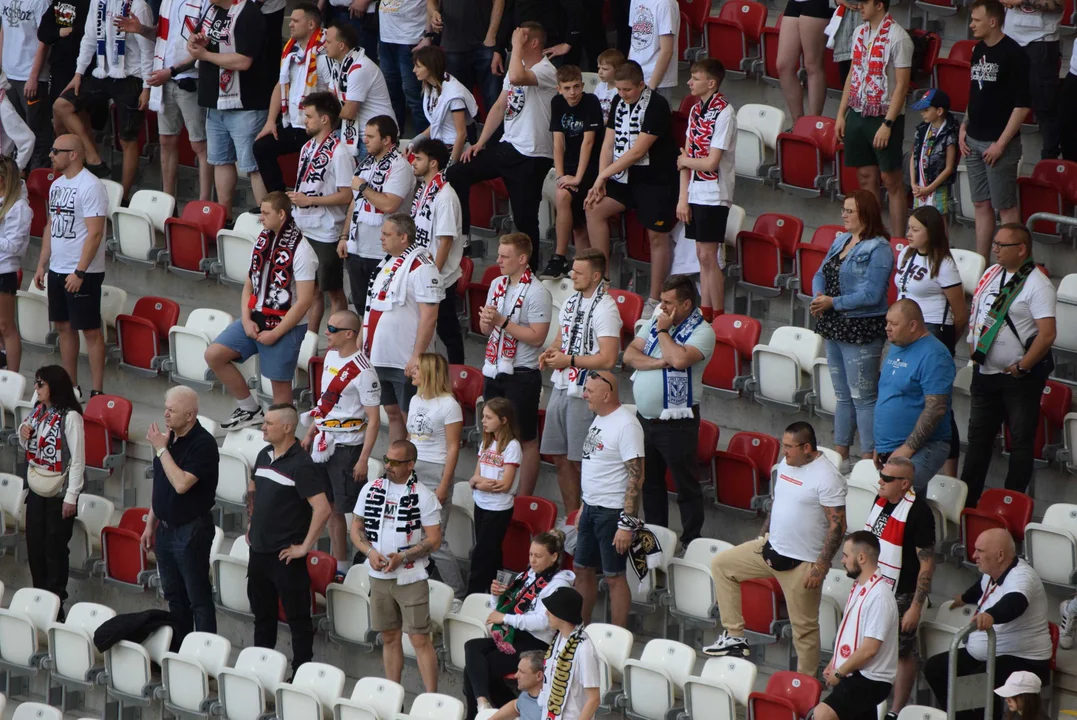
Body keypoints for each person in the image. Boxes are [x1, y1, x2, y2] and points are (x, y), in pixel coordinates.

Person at [705, 421, 846, 675]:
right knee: (722, 565)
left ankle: (806, 684)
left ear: (807, 448)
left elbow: (838, 526)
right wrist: (763, 534)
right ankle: (735, 637)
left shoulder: (827, 477)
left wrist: (821, 565)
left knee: (804, 630)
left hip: (802, 563)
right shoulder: (785, 466)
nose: (784, 451)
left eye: (790, 447)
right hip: (770, 548)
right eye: (783, 445)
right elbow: (777, 502)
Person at [445, 21, 557, 265]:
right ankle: (463, 236)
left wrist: (515, 47)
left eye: (521, 38)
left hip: (532, 155)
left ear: (534, 43)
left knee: (525, 219)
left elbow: (517, 77)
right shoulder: (517, 66)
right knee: (456, 173)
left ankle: (530, 271)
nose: (514, 40)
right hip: (507, 147)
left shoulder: (546, 70)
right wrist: (481, 143)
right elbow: (499, 106)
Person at [962, 223, 1055, 506]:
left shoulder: (1038, 284)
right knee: (978, 440)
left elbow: (1047, 333)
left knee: (1020, 442)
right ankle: (968, 502)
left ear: (1022, 249)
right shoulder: (991, 273)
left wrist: (1023, 366)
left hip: (1019, 378)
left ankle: (1009, 504)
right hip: (985, 372)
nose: (995, 249)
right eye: (995, 243)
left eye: (1002, 245)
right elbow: (978, 311)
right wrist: (973, 344)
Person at [206, 192, 317, 429]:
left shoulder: (302, 250)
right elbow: (249, 284)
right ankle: (249, 408)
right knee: (214, 355)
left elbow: (305, 301)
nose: (261, 218)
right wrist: (246, 320)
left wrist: (276, 334)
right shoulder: (263, 239)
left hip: (285, 327)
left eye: (265, 213)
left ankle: (285, 443)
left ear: (281, 214)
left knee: (279, 389)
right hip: (255, 317)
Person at [623, 275, 715, 547]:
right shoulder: (656, 319)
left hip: (678, 422)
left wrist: (663, 333)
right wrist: (656, 363)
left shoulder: (703, 331)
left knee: (685, 485)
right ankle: (654, 540)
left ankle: (691, 541)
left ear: (686, 304)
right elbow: (629, 355)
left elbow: (678, 359)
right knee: (649, 483)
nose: (660, 307)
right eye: (660, 301)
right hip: (645, 420)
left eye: (667, 302)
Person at [923, 528, 1052, 720]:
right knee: (935, 668)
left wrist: (991, 615)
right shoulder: (992, 571)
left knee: (977, 682)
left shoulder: (1022, 577)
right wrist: (964, 598)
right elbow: (981, 587)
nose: (974, 555)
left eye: (980, 551)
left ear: (1000, 555)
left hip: (1023, 658)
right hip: (990, 652)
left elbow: (1015, 602)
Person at [584, 60, 677, 319]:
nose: (622, 95)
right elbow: (609, 142)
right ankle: (602, 283)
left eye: (627, 90)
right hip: (622, 177)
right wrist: (601, 180)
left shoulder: (657, 105)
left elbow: (638, 151)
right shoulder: (617, 101)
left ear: (641, 84)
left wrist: (603, 174)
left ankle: (655, 298)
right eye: (619, 90)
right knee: (594, 207)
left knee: (657, 237)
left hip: (655, 180)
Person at [350, 439, 443, 691]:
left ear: (411, 464)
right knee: (389, 637)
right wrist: (369, 552)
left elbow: (434, 539)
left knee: (419, 639)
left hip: (410, 578)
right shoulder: (370, 488)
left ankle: (431, 700)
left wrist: (403, 556)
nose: (388, 465)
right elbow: (356, 527)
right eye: (386, 459)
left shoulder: (424, 496)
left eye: (395, 462)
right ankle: (393, 694)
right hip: (378, 576)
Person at [811, 190, 893, 472]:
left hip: (861, 326)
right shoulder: (842, 239)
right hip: (834, 323)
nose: (843, 215)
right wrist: (819, 296)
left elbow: (872, 294)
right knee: (843, 395)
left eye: (849, 211)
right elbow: (819, 272)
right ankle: (841, 456)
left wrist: (832, 302)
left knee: (863, 397)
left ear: (865, 214)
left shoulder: (879, 248)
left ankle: (869, 462)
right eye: (843, 210)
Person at [246, 403, 331, 674]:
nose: (263, 426)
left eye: (268, 423)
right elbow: (254, 488)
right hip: (258, 553)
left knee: (298, 621)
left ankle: (301, 674)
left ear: (287, 427)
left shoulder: (302, 465)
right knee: (263, 618)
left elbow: (323, 508)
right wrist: (252, 521)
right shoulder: (263, 453)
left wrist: (304, 547)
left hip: (285, 557)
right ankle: (261, 670)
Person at [539, 249, 621, 514]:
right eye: (573, 270)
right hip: (561, 384)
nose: (572, 275)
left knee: (580, 461)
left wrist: (569, 361)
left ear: (596, 276)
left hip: (586, 390)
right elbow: (562, 338)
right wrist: (551, 352)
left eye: (579, 272)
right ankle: (573, 517)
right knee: (560, 458)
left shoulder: (606, 308)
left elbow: (608, 359)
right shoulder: (571, 301)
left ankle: (589, 515)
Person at [300, 309, 381, 569]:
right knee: (328, 506)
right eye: (327, 327)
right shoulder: (331, 355)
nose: (326, 332)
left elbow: (374, 419)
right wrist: (311, 430)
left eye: (332, 329)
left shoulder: (365, 371)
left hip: (348, 448)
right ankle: (340, 564)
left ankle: (366, 558)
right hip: (324, 441)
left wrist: (364, 459)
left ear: (349, 334)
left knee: (353, 511)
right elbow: (326, 401)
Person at [140, 386, 220, 645]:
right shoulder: (168, 439)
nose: (166, 414)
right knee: (175, 597)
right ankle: (181, 650)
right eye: (166, 408)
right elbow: (161, 485)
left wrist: (162, 451)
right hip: (165, 529)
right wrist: (150, 525)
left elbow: (181, 483)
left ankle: (206, 654)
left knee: (198, 598)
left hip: (191, 530)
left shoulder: (203, 444)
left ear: (190, 415)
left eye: (172, 410)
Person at [464, 531, 574, 717]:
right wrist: (496, 594)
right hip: (514, 635)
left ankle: (483, 713)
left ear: (554, 557)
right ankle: (485, 705)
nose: (532, 560)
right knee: (472, 647)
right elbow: (499, 608)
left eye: (538, 556)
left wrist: (506, 619)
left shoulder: (558, 584)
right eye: (531, 554)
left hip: (535, 643)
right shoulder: (528, 575)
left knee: (477, 669)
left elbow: (544, 621)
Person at [32, 134, 109, 398]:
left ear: (73, 154)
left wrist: (80, 271)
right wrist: (42, 264)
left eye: (56, 151)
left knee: (90, 330)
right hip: (57, 268)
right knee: (63, 327)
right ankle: (71, 388)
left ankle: (97, 390)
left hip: (82, 271)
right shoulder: (57, 185)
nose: (51, 155)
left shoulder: (91, 186)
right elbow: (51, 226)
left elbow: (95, 233)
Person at [53, 0, 153, 196]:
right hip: (103, 72)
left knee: (127, 140)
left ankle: (123, 197)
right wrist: (78, 73)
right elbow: (89, 38)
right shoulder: (97, 2)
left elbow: (148, 50)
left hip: (132, 76)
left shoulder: (138, 5)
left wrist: (147, 87)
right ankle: (93, 158)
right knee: (61, 105)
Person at [114, 0, 211, 201]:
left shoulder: (204, 2)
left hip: (191, 79)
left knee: (200, 145)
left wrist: (172, 71)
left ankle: (204, 204)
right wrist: (141, 29)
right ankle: (168, 201)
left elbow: (205, 46)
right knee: (166, 140)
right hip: (165, 78)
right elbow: (162, 35)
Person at [862, 456, 936, 718]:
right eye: (881, 475)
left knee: (902, 652)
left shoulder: (920, 513)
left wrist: (915, 606)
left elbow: (926, 565)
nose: (880, 481)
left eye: (887, 478)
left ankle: (895, 710)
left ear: (904, 484)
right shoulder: (880, 500)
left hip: (901, 593)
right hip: (873, 586)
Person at [896, 206, 967, 475]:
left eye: (915, 229)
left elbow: (960, 313)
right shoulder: (906, 253)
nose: (908, 234)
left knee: (938, 405)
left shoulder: (944, 264)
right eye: (908, 228)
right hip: (904, 332)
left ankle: (950, 473)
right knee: (910, 398)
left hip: (933, 331)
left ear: (931, 232)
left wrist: (944, 344)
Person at [481, 232, 552, 496]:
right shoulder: (497, 284)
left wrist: (502, 322)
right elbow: (487, 330)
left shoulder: (537, 291)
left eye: (504, 256)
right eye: (499, 254)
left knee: (525, 438)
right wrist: (488, 322)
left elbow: (537, 337)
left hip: (522, 374)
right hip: (493, 367)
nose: (498, 260)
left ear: (522, 259)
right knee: (492, 433)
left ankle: (523, 496)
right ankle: (493, 482)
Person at [361, 213, 443, 443]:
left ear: (404, 237)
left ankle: (415, 469)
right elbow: (371, 309)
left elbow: (430, 315)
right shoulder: (386, 263)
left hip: (405, 358)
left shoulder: (423, 267)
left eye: (387, 234)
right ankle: (397, 466)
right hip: (380, 355)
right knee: (393, 414)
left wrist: (417, 355)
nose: (382, 239)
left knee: (412, 417)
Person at [834, 0, 912, 237]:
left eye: (865, 2)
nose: (859, 6)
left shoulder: (899, 37)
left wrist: (888, 124)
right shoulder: (859, 31)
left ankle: (898, 241)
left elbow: (901, 85)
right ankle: (873, 235)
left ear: (879, 5)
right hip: (857, 111)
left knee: (891, 180)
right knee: (866, 177)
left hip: (884, 115)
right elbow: (853, 73)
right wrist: (840, 114)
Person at [574, 371, 645, 628]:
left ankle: (618, 635)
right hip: (592, 507)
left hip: (612, 512)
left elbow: (636, 476)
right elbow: (596, 466)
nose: (584, 395)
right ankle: (579, 629)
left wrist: (627, 523)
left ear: (607, 394)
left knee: (614, 576)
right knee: (582, 569)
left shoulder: (626, 425)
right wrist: (584, 505)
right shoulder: (600, 418)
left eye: (589, 391)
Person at [961, 0, 1030, 260]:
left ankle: (1014, 264)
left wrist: (1000, 144)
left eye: (976, 20)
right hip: (974, 139)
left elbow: (1022, 106)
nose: (971, 25)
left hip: (998, 144)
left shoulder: (1014, 54)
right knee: (980, 204)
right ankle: (982, 263)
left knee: (1006, 207)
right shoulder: (978, 49)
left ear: (992, 21)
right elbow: (974, 92)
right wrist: (964, 126)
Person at [189, 0, 267, 221]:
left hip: (246, 103)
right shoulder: (211, 10)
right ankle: (225, 220)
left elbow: (244, 61)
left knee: (253, 164)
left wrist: (206, 56)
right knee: (220, 160)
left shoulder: (249, 12)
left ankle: (266, 224)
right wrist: (196, 44)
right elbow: (194, 47)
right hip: (215, 102)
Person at [19, 365, 84, 622]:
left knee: (54, 550)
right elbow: (30, 442)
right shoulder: (37, 411)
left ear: (54, 387)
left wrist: (72, 496)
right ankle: (39, 599)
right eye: (35, 383)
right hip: (37, 489)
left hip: (59, 493)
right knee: (35, 546)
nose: (36, 388)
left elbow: (78, 460)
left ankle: (56, 607)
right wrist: (24, 435)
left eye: (40, 384)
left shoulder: (71, 417)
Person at [287, 91, 355, 334]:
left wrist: (310, 200)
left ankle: (338, 338)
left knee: (332, 290)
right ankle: (311, 339)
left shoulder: (340, 152)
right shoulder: (307, 147)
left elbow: (347, 195)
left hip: (326, 231)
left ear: (325, 119)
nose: (304, 120)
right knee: (311, 289)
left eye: (309, 116)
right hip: (303, 226)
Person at [814, 532, 899, 720]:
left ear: (861, 557)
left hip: (871, 679)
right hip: (860, 673)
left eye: (845, 555)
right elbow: (851, 632)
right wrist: (834, 662)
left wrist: (840, 671)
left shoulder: (879, 597)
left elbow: (870, 649)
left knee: (822, 713)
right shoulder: (861, 586)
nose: (842, 560)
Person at [253, 4, 332, 201]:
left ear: (312, 24)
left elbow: (334, 94)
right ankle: (279, 201)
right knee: (262, 147)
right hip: (293, 124)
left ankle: (303, 204)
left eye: (296, 21)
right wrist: (271, 121)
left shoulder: (324, 54)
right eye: (291, 20)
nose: (290, 24)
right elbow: (280, 85)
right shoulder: (290, 52)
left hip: (316, 128)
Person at [873, 300, 955, 490]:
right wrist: (881, 443)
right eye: (887, 322)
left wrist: (907, 449)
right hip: (892, 447)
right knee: (908, 508)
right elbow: (889, 393)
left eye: (894, 324)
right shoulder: (896, 345)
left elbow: (936, 408)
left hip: (922, 447)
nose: (887, 328)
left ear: (913, 325)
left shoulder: (935, 354)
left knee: (896, 498)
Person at [676, 58, 735, 321]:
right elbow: (685, 158)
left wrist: (686, 161)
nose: (689, 82)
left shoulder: (725, 112)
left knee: (710, 257)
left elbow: (710, 161)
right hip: (696, 190)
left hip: (715, 191)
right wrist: (682, 198)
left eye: (695, 78)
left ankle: (717, 316)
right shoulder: (695, 110)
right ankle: (706, 311)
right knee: (701, 255)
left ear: (710, 83)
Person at [340, 115, 415, 314]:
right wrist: (344, 236)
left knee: (382, 311)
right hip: (357, 249)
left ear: (387, 140)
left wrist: (363, 187)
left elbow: (390, 204)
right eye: (366, 135)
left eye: (371, 136)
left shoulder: (400, 166)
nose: (365, 140)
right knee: (360, 306)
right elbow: (355, 203)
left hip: (384, 252)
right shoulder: (366, 163)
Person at [406, 352, 465, 596]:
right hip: (413, 469)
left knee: (435, 540)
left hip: (436, 470)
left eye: (417, 368)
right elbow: (411, 437)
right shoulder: (416, 399)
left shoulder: (449, 405)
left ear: (430, 372)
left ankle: (458, 592)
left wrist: (443, 484)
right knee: (410, 532)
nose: (412, 371)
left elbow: (453, 447)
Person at [540, 64, 602, 282]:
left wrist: (577, 178)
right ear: (559, 89)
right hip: (569, 166)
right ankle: (571, 264)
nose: (573, 92)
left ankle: (560, 258)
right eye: (567, 88)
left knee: (569, 203)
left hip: (592, 167)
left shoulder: (591, 102)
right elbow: (558, 142)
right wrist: (560, 176)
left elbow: (589, 142)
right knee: (573, 218)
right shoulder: (557, 102)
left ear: (583, 86)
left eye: (576, 87)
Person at [407, 137, 465, 365]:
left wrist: (434, 276)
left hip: (440, 278)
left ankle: (457, 373)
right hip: (421, 271)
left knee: (448, 332)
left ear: (433, 163)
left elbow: (446, 241)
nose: (413, 162)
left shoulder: (445, 196)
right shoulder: (425, 189)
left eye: (419, 159)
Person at [467, 397, 522, 594]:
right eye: (483, 417)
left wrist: (478, 483)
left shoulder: (512, 446)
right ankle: (495, 593)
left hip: (498, 508)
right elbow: (474, 476)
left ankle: (472, 595)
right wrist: (481, 484)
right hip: (480, 503)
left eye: (489, 417)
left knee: (481, 554)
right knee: (491, 553)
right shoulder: (486, 442)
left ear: (504, 420)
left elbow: (505, 485)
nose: (483, 421)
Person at [323, 19, 394, 161]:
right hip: (356, 134)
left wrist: (322, 116)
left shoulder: (359, 68)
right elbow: (329, 101)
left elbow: (349, 112)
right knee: (321, 146)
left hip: (374, 138)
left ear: (341, 45)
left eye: (329, 42)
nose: (324, 46)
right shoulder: (338, 66)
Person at [1001, 0, 1061, 160]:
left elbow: (1057, 5)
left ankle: (1049, 162)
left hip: (1042, 42)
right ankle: (1002, 151)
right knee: (1003, 101)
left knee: (1045, 105)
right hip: (1010, 37)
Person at [0, 0, 51, 170]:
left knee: (35, 132)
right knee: (13, 134)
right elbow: (3, 30)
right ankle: (16, 177)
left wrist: (34, 76)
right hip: (8, 75)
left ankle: (36, 180)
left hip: (30, 75)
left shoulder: (40, 2)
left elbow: (45, 40)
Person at [536, 587, 601, 720]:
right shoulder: (558, 638)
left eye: (551, 610)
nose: (546, 613)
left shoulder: (584, 649)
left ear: (562, 614)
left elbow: (594, 699)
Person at [410, 45, 478, 165]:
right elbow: (436, 124)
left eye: (418, 66)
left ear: (430, 67)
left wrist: (451, 164)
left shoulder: (454, 94)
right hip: (439, 149)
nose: (414, 70)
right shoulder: (432, 88)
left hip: (455, 151)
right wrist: (414, 142)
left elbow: (461, 134)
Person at [431, 0, 502, 113]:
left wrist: (492, 34)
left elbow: (499, 2)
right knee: (457, 102)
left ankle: (496, 131)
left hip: (484, 41)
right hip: (453, 42)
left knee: (493, 99)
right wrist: (434, 13)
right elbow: (431, 2)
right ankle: (463, 131)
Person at [378, 0, 430, 134]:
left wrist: (428, 36)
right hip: (386, 36)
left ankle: (424, 148)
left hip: (411, 37)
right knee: (391, 96)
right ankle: (393, 146)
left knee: (414, 96)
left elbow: (433, 2)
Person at [0, 156, 32, 372]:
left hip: (4, 271)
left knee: (5, 326)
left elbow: (13, 246)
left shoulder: (19, 208)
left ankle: (12, 377)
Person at [38, 0, 89, 133]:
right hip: (58, 68)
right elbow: (43, 33)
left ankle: (85, 152)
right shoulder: (58, 2)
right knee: (57, 119)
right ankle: (62, 151)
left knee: (79, 117)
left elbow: (86, 34)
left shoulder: (90, 3)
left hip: (83, 70)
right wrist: (61, 32)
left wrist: (69, 32)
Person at [776, 0, 830, 123]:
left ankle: (812, 125)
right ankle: (798, 124)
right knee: (783, 65)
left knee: (812, 64)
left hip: (819, 4)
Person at [908, 89, 958, 216]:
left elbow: (949, 168)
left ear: (939, 111)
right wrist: (913, 184)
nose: (921, 114)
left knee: (939, 220)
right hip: (920, 186)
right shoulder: (922, 129)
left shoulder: (949, 134)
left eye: (926, 110)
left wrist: (930, 188)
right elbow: (914, 156)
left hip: (938, 188)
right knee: (919, 218)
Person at [626, 0, 678, 100]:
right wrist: (628, 73)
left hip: (657, 80)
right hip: (635, 77)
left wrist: (651, 87)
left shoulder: (665, 4)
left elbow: (667, 51)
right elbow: (634, 40)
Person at [488, 651, 547, 720]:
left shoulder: (547, 709)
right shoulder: (527, 694)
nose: (516, 675)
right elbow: (515, 706)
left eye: (522, 672)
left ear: (539, 676)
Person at [593, 48, 624, 122]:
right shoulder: (600, 86)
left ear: (617, 70)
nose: (600, 72)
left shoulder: (620, 89)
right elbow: (593, 106)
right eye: (599, 68)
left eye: (605, 69)